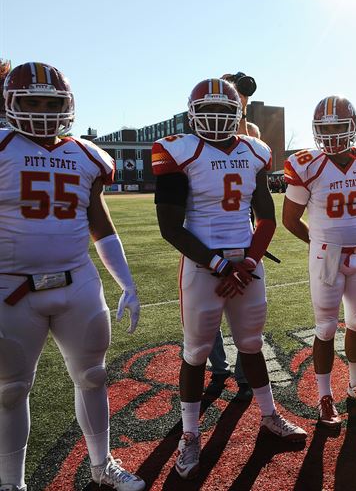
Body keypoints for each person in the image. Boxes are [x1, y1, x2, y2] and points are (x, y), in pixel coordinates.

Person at [0, 62, 144, 491]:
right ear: (11, 103)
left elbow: (99, 222)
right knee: (10, 390)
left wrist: (127, 282)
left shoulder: (86, 154)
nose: (43, 110)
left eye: (51, 102)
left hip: (76, 283)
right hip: (11, 287)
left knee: (94, 376)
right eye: (31, 101)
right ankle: (12, 483)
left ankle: (101, 466)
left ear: (68, 105)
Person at [153, 78, 306, 480]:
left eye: (225, 112)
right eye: (209, 112)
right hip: (205, 268)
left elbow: (267, 217)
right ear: (193, 115)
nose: (218, 119)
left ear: (237, 114)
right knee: (197, 352)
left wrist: (250, 262)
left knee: (252, 345)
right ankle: (189, 435)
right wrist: (224, 266)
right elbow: (170, 227)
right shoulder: (177, 150)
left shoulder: (254, 150)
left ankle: (270, 415)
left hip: (246, 265)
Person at [282, 95, 356, 429]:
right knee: (326, 327)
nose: (330, 134)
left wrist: (352, 237)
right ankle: (324, 396)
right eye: (323, 127)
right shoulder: (307, 165)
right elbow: (289, 219)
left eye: (337, 126)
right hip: (326, 257)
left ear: (352, 127)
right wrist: (323, 243)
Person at [205, 71, 261, 402]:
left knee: (246, 310)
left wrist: (242, 107)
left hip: (243, 231)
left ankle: (242, 372)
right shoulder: (200, 132)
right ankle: (218, 367)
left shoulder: (250, 131)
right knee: (208, 309)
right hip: (208, 233)